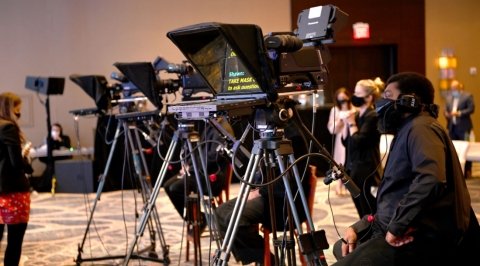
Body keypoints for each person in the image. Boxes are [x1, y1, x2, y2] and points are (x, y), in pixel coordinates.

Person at [332, 72, 479, 266]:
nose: (382, 102)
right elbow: (395, 197)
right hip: (391, 225)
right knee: (341, 246)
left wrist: (397, 227)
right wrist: (360, 226)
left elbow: (431, 179)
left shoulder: (422, 128)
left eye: (388, 96)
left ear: (409, 101)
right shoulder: (409, 129)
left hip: (421, 238)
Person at [216, 117, 310, 266]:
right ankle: (264, 259)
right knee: (220, 213)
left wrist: (259, 192)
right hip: (267, 194)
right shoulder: (268, 132)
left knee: (235, 220)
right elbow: (266, 173)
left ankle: (266, 261)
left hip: (284, 204)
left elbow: (286, 184)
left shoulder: (293, 137)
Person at [163, 117, 234, 236]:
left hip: (211, 177)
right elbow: (198, 150)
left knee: (176, 188)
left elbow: (213, 158)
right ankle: (198, 218)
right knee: (167, 185)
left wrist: (190, 169)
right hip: (200, 172)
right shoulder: (213, 125)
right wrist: (187, 165)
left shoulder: (223, 129)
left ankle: (199, 219)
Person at [340, 78, 383, 218]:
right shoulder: (357, 115)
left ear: (369, 97)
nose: (354, 96)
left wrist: (352, 124)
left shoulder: (373, 116)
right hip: (354, 168)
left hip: (367, 171)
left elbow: (360, 142)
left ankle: (371, 237)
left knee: (368, 210)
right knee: (360, 210)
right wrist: (347, 124)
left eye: (358, 93)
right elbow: (347, 142)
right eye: (355, 92)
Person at [0, 92, 33, 265]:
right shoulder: (7, 127)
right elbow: (16, 164)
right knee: (14, 241)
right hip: (12, 192)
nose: (18, 114)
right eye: (17, 110)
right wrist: (25, 160)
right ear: (9, 109)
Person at [327, 87, 356, 196]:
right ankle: (339, 185)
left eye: (345, 99)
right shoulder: (335, 110)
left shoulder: (354, 109)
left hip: (352, 137)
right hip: (341, 139)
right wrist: (338, 123)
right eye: (341, 100)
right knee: (339, 163)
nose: (343, 102)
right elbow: (331, 129)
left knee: (350, 162)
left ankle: (349, 185)